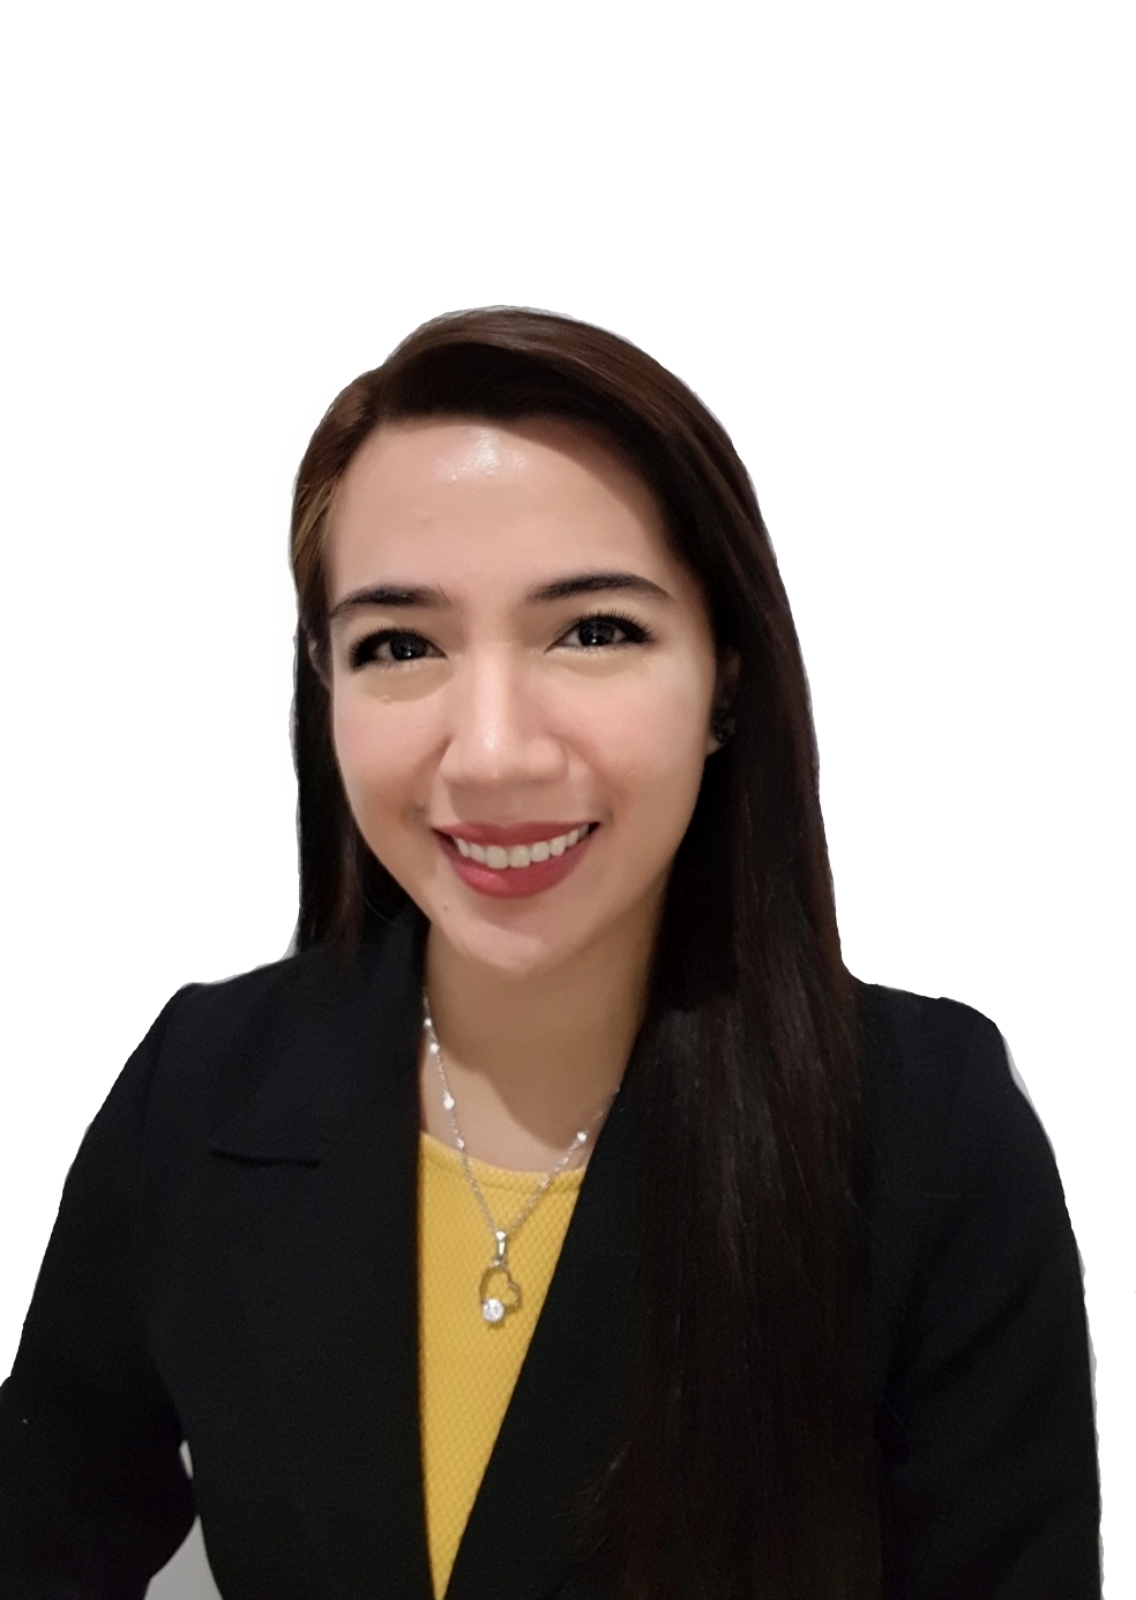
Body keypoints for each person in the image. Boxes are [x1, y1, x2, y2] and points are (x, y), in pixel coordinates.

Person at [0, 307, 1100, 1600]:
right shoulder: (205, 1086)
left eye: (593, 631)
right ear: (326, 684)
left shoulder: (923, 1131)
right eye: (399, 646)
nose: (493, 753)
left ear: (726, 675)